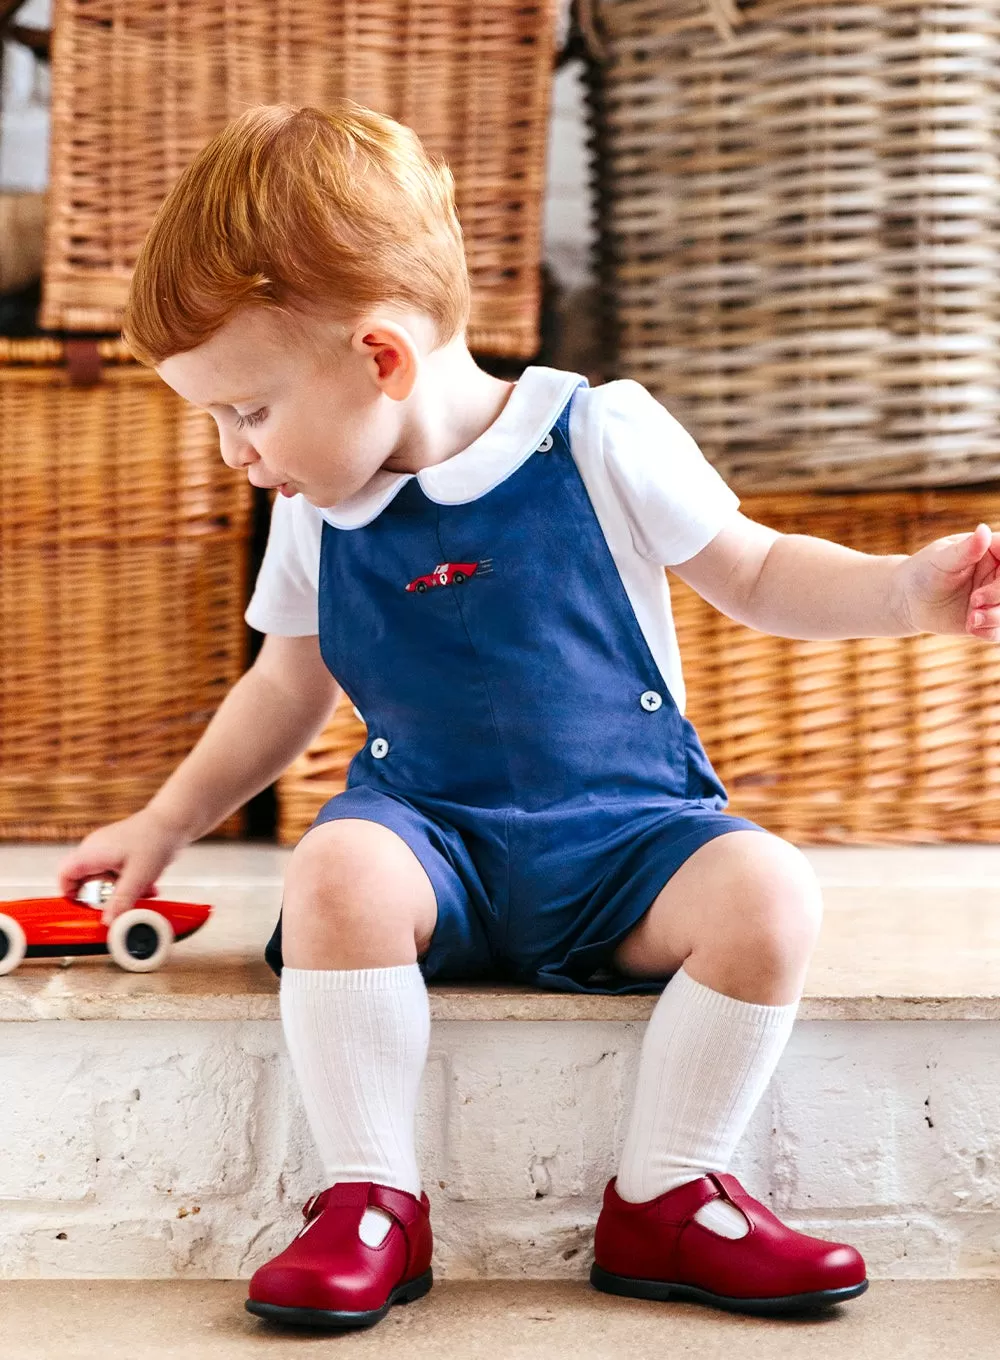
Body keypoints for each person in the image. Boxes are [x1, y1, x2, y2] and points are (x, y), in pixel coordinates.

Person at [57, 101, 1000, 1331]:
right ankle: (372, 1198)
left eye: (246, 409)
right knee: (334, 865)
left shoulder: (600, 432)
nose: (235, 450)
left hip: (627, 842)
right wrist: (165, 821)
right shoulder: (314, 505)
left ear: (381, 357)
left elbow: (758, 572)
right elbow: (285, 685)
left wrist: (899, 593)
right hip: (431, 843)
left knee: (770, 891)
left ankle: (670, 1188)